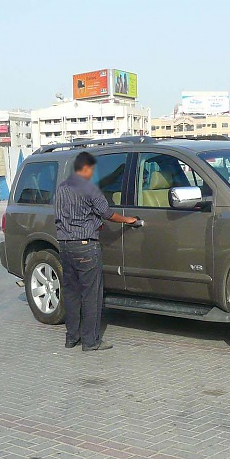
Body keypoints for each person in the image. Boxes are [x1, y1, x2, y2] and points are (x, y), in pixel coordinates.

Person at [54, 151, 139, 352]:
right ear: (86, 168)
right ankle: (90, 341)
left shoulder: (61, 188)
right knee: (91, 295)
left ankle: (71, 337)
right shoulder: (89, 188)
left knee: (72, 294)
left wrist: (91, 222)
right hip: (86, 247)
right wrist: (128, 220)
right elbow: (107, 213)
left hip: (65, 245)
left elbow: (66, 216)